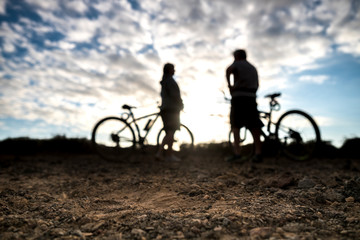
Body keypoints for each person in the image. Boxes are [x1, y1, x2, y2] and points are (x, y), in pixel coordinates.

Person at [225, 49, 263, 163]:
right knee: (254, 125)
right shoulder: (252, 67)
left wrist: (230, 86)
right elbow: (257, 84)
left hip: (239, 96)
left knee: (235, 125)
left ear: (237, 56)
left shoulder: (237, 63)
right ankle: (258, 153)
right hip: (251, 96)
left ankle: (237, 154)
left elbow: (228, 70)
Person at [156, 63, 184, 161]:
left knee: (169, 132)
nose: (174, 71)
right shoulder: (170, 81)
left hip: (166, 109)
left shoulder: (164, 81)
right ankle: (163, 153)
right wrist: (181, 104)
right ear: (169, 70)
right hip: (172, 109)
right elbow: (175, 95)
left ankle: (166, 154)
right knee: (171, 132)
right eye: (173, 69)